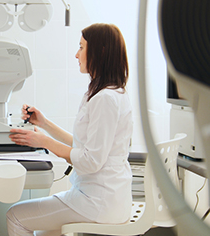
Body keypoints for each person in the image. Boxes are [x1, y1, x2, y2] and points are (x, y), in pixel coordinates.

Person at [7, 23, 133, 236]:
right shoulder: (107, 93)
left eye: (81, 47)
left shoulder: (105, 99)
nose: (76, 54)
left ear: (100, 51)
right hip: (101, 197)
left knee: (16, 217)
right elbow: (83, 145)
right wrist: (45, 124)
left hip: (98, 202)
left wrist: (44, 142)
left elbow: (90, 161)